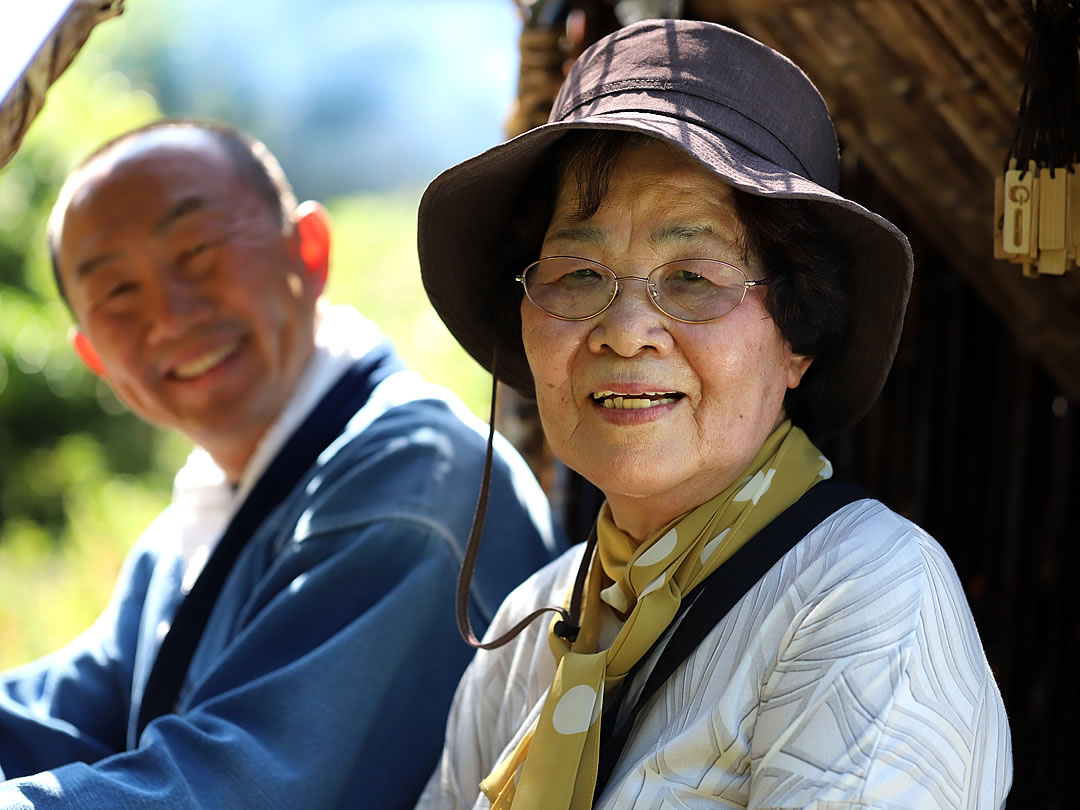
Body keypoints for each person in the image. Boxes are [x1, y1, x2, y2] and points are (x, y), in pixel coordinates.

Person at [416, 19, 1012, 810]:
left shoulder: (868, 599)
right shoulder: (532, 626)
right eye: (578, 273)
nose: (626, 333)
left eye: (694, 276)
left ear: (797, 336)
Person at [0, 119, 565, 809]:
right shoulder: (190, 530)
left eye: (200, 250)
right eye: (117, 291)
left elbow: (233, 789)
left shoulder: (415, 486)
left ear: (310, 249)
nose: (169, 316)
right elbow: (53, 721)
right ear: (95, 359)